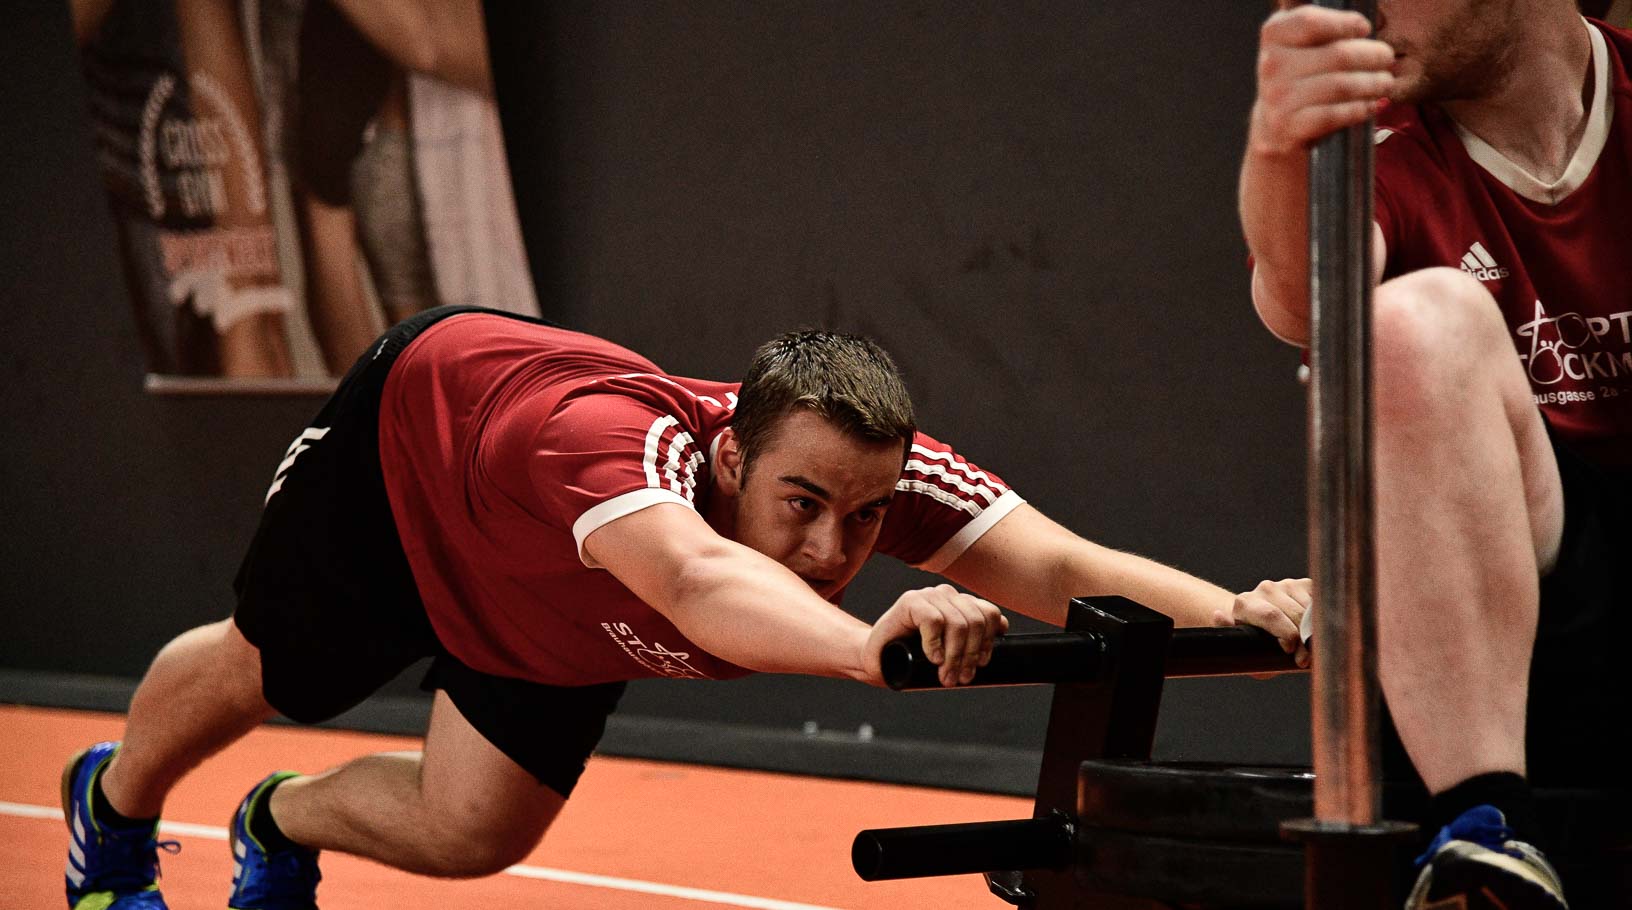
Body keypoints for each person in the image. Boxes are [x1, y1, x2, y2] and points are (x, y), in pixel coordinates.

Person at [62, 306, 1310, 909]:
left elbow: (1063, 566)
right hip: (416, 475)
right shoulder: (617, 450)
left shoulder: (880, 475)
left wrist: (1260, 627)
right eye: (803, 504)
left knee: (472, 834)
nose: (835, 545)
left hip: (553, 605)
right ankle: (110, 822)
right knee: (269, 673)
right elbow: (703, 581)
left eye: (867, 518)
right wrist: (865, 647)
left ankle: (276, 824)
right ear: (727, 459)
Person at [1241, 2, 1631, 907]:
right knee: (1401, 330)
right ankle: (1484, 843)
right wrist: (1278, 140)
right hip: (1522, 611)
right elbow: (1306, 301)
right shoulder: (1379, 146)